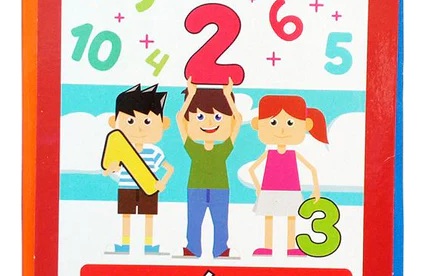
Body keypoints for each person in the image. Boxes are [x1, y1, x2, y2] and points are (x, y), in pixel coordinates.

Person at [248, 95, 327, 256]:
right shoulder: (269, 154)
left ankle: (291, 247)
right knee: (269, 217)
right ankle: (268, 247)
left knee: (291, 217)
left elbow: (312, 169)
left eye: (290, 123)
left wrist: (316, 189)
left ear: (306, 125)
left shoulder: (293, 154)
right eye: (273, 123)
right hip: (269, 190)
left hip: (291, 190)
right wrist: (258, 188)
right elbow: (252, 169)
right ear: (257, 124)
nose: (282, 130)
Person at [103, 84, 174, 255]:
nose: (139, 128)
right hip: (126, 187)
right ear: (114, 122)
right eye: (130, 121)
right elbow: (109, 170)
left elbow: (169, 169)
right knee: (126, 216)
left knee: (148, 216)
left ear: (163, 124)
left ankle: (149, 245)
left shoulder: (154, 151)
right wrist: (110, 168)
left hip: (149, 188)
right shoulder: (122, 149)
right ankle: (125, 244)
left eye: (147, 121)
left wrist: (162, 183)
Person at [176, 77, 242, 258]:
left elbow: (238, 120)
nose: (210, 123)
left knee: (220, 221)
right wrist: (191, 94)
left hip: (220, 189)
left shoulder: (223, 148)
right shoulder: (193, 148)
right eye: (200, 117)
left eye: (218, 117)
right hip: (196, 188)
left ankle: (221, 249)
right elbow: (180, 119)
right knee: (194, 220)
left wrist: (228, 95)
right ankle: (192, 248)